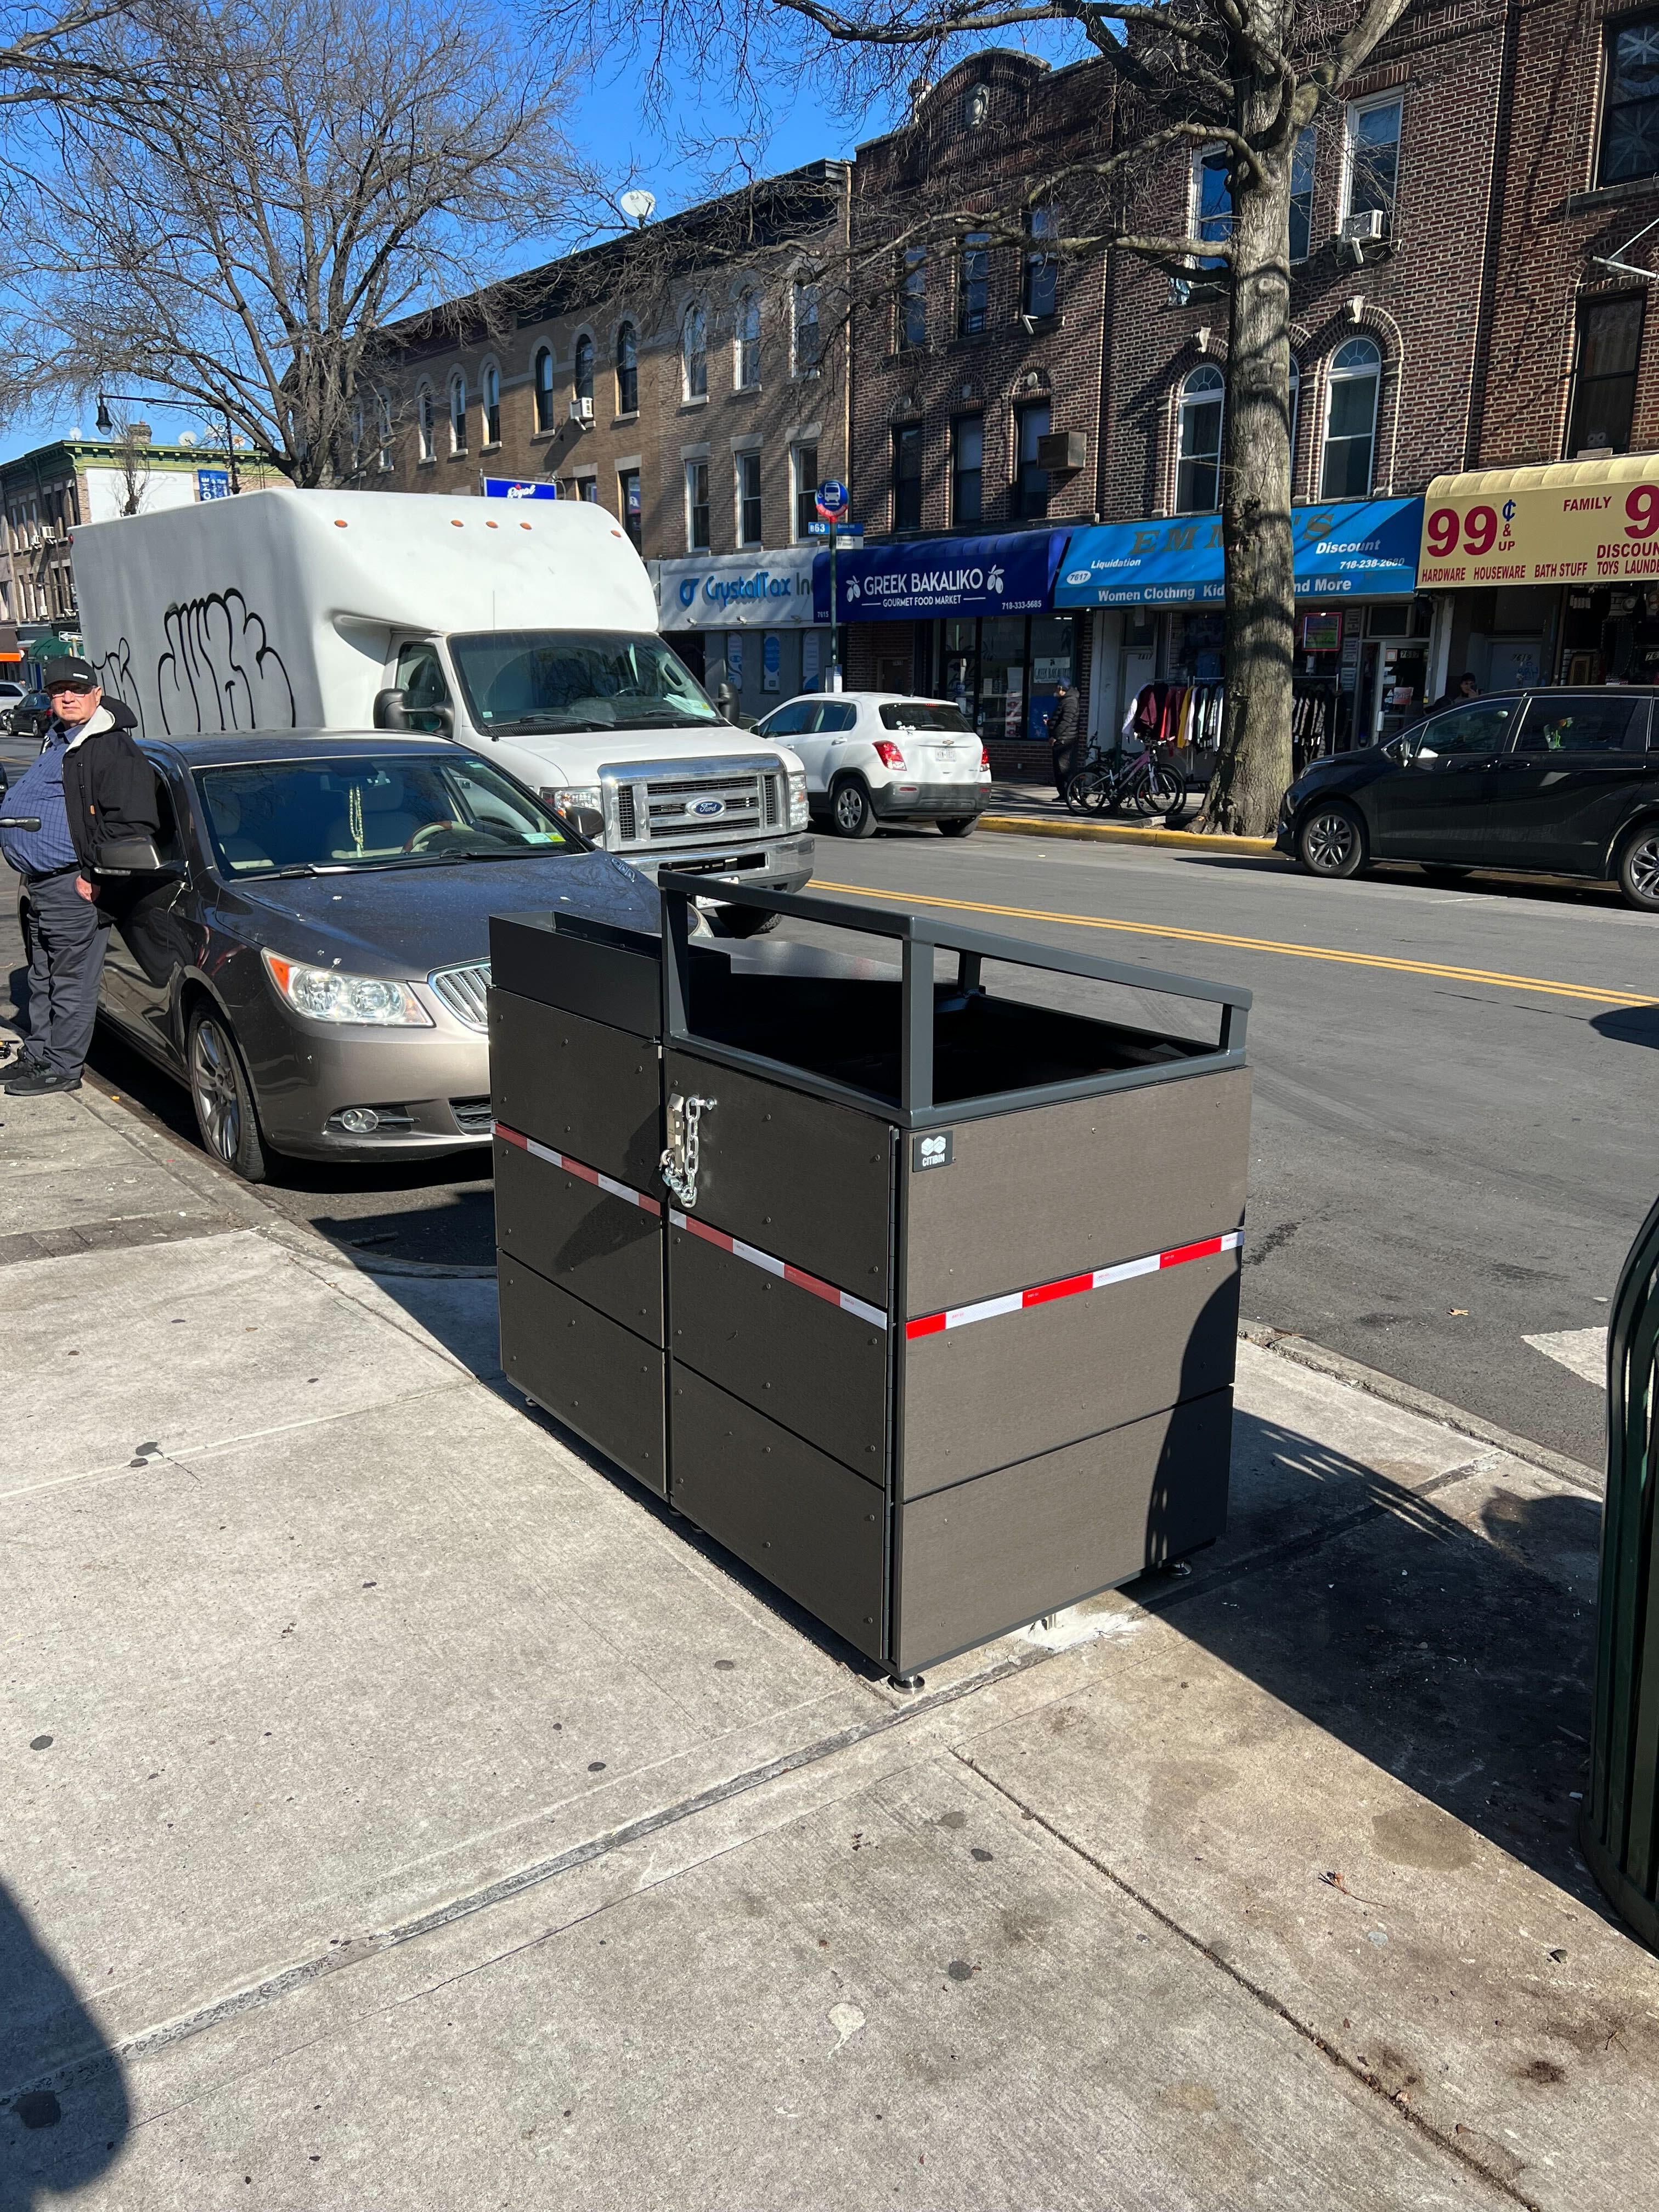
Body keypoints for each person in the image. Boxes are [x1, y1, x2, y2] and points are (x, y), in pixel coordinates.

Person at [0, 658, 157, 1096]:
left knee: (71, 983)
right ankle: (39, 1054)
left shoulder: (110, 748)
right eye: (58, 691)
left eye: (76, 689)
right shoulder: (60, 740)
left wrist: (96, 876)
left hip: (74, 885)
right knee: (42, 977)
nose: (67, 697)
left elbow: (131, 824)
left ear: (96, 693)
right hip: (42, 883)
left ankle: (63, 1068)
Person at [1048, 680, 1082, 798]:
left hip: (1064, 740)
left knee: (1063, 769)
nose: (1056, 691)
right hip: (1063, 738)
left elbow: (1066, 721)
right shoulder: (1066, 701)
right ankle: (1063, 794)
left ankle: (1069, 794)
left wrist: (1055, 736)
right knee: (1059, 769)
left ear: (1061, 688)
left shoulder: (1070, 701)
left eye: (1057, 688)